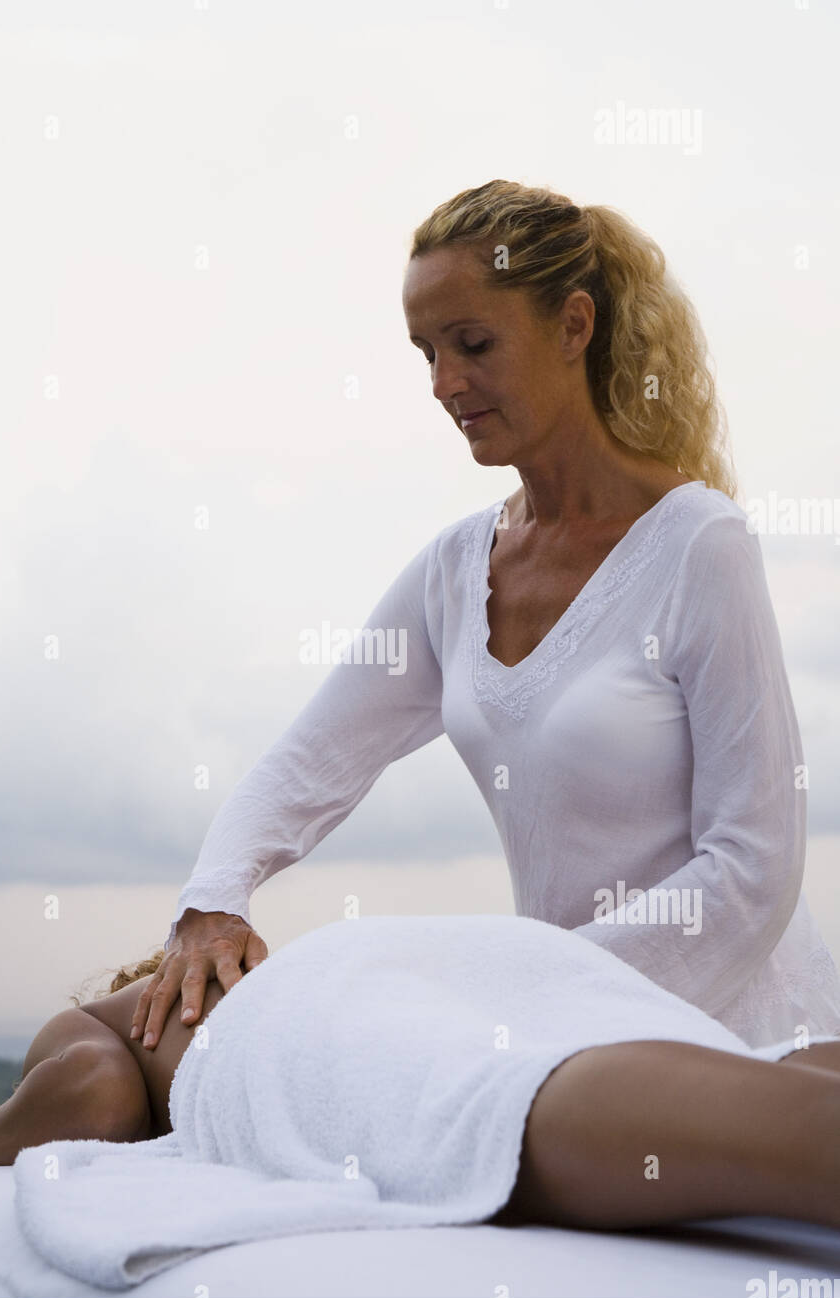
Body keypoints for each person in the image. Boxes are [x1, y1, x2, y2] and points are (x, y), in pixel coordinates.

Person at [130, 179, 840, 1054]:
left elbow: (753, 872)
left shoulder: (701, 544)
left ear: (574, 326)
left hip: (732, 1039)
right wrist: (211, 900)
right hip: (550, 1045)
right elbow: (309, 761)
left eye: (473, 344)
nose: (443, 383)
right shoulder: (456, 572)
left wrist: (521, 1004)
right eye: (425, 351)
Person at [0, 931, 840, 1237]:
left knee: (492, 1093)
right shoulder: (239, 982)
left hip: (307, 1012)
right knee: (622, 1038)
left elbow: (87, 1100)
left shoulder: (107, 1026)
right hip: (455, 951)